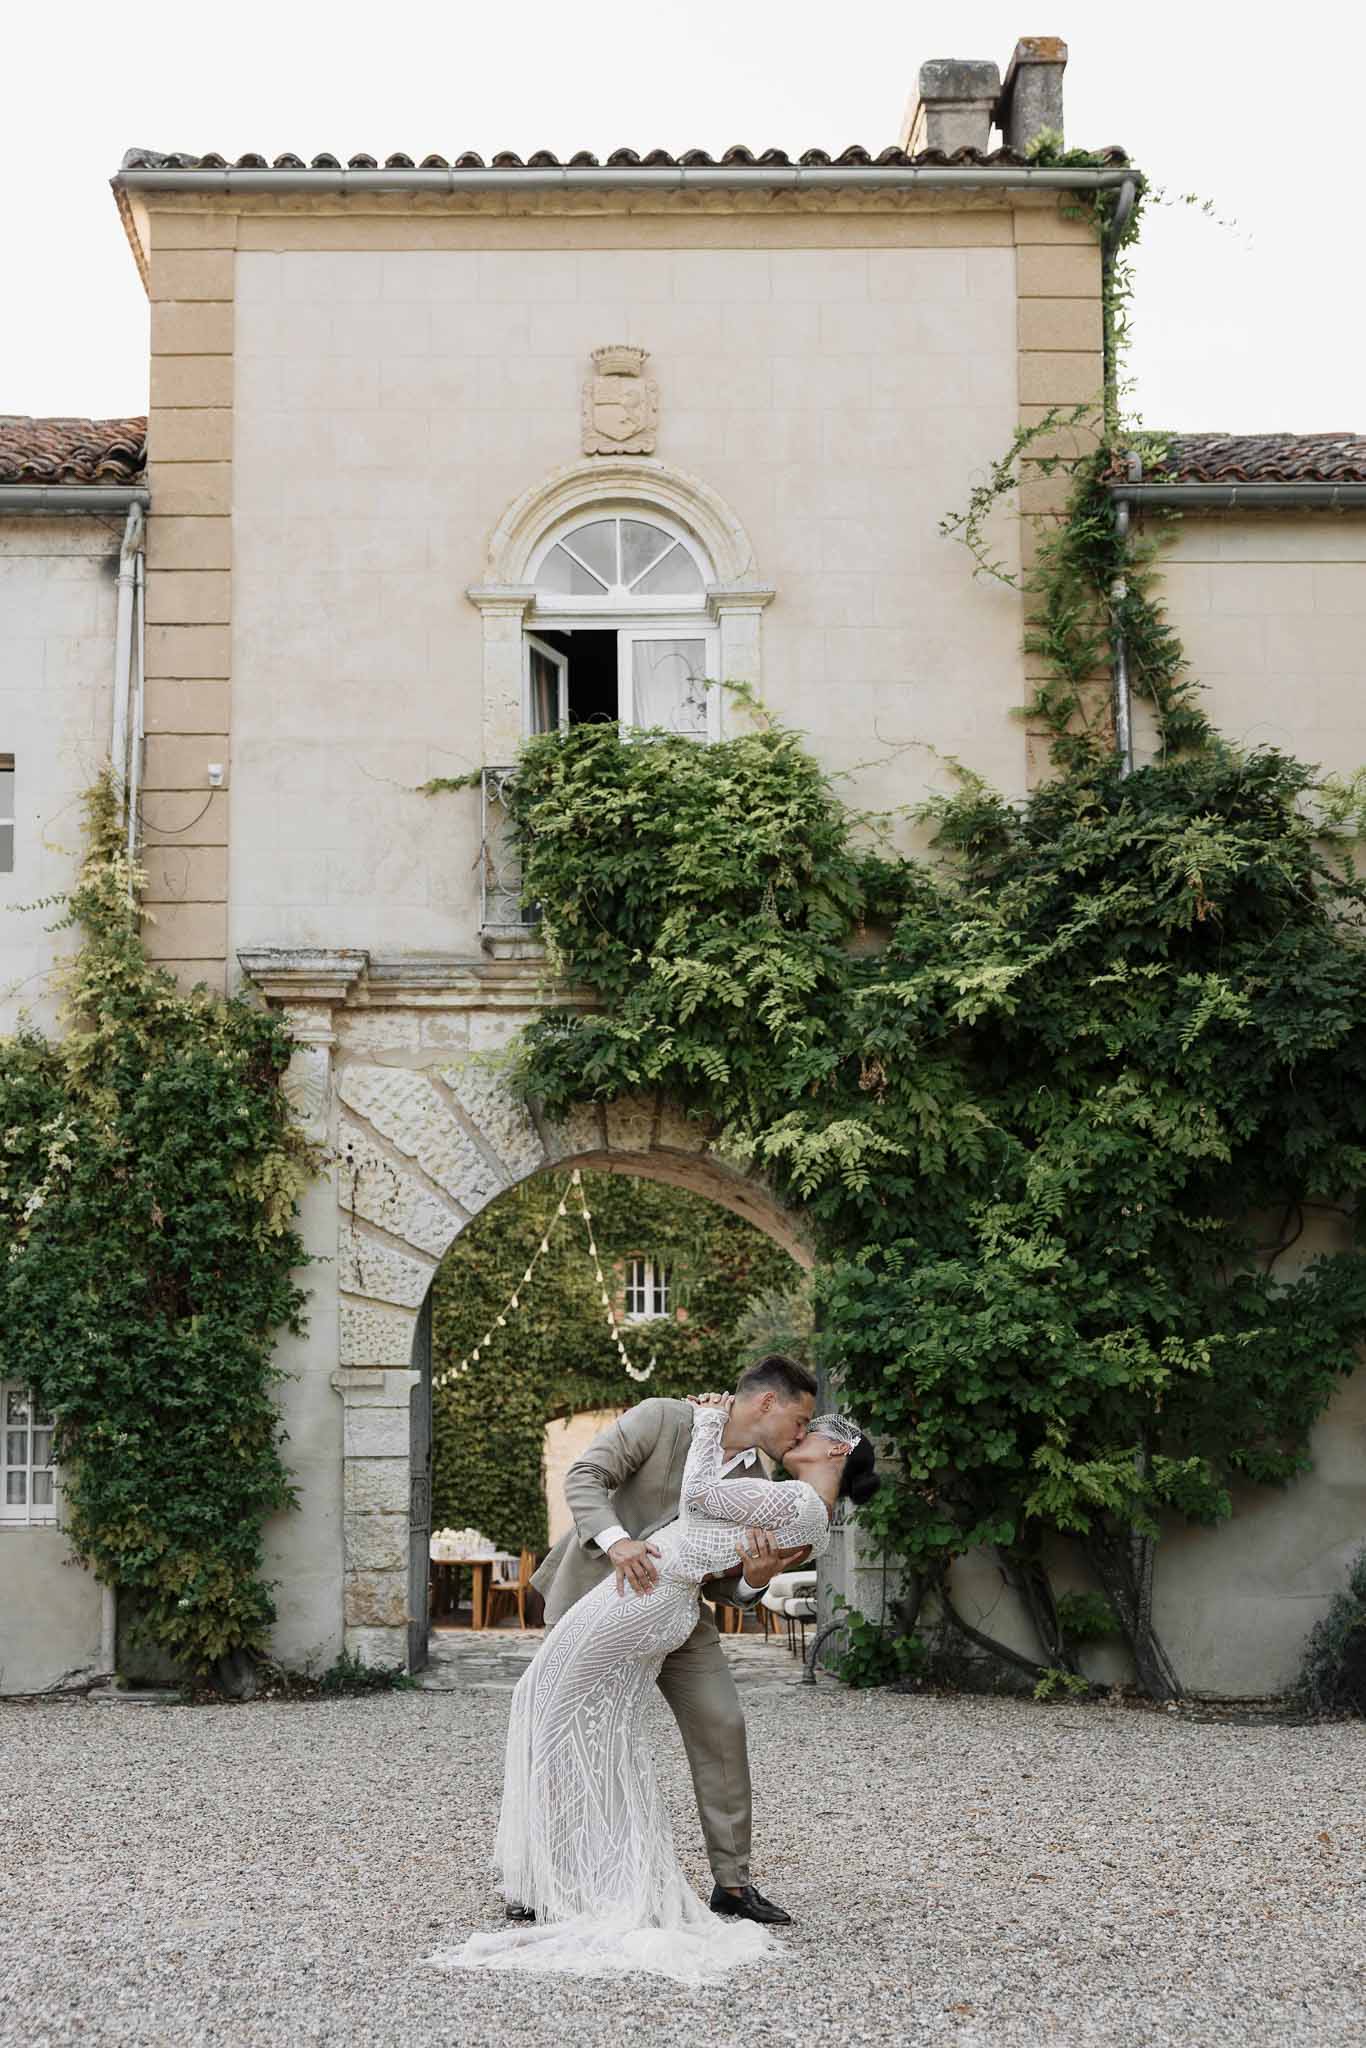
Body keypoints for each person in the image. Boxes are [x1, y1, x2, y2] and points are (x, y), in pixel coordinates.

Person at [426, 1375, 881, 1986]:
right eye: (799, 1418)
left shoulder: (768, 1486)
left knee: (721, 1724)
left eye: (810, 1429)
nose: (801, 1431)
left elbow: (726, 1580)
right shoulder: (667, 1418)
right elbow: (585, 1478)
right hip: (607, 1588)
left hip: (676, 1612)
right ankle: (546, 1875)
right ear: (767, 1402)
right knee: (574, 1728)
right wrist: (618, 1544)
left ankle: (733, 1884)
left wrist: (754, 1578)